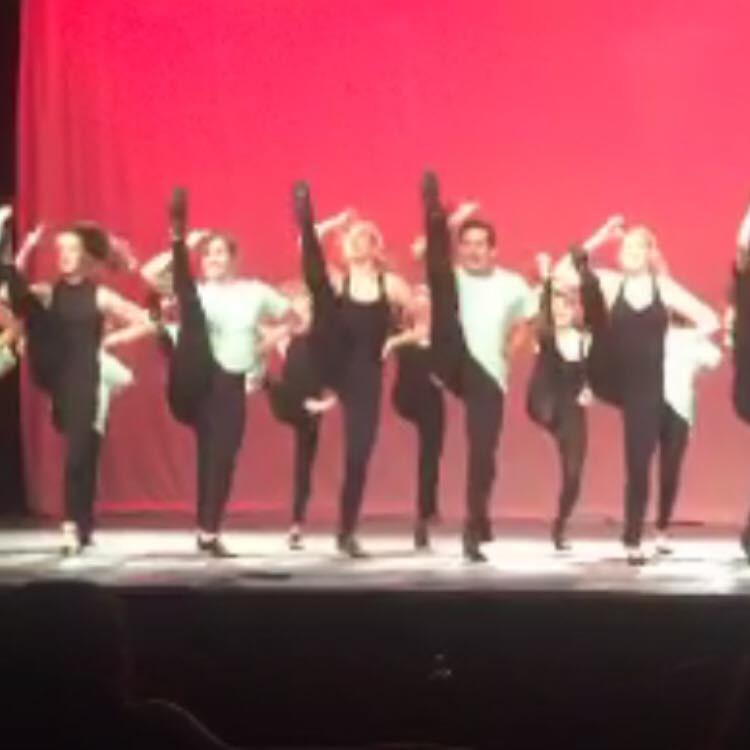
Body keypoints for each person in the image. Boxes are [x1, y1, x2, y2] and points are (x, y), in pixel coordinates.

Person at [0, 206, 152, 554]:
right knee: (82, 452)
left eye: (72, 249)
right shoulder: (48, 292)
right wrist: (24, 252)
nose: (65, 255)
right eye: (61, 250)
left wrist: (111, 341)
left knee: (80, 452)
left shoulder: (99, 295)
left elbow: (145, 321)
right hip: (57, 375)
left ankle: (73, 524)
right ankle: (82, 522)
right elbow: (11, 295)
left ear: (85, 256)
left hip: (85, 378)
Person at [566, 218, 719, 564]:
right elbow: (565, 274)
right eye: (627, 246)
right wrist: (601, 237)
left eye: (640, 246)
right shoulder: (611, 283)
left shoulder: (663, 287)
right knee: (636, 465)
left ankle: (643, 534)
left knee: (650, 464)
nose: (632, 252)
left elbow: (709, 318)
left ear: (650, 253)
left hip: (655, 388)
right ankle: (633, 537)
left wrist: (680, 339)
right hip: (627, 383)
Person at [154, 189, 294, 557]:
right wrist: (184, 243)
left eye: (219, 252)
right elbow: (151, 275)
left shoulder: (254, 291)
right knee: (189, 301)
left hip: (230, 381)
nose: (212, 259)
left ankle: (208, 531)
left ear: (233, 258)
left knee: (220, 457)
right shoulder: (197, 290)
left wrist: (267, 342)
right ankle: (177, 235)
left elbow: (295, 316)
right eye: (207, 254)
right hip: (195, 375)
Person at [420, 172, 538, 562]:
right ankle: (432, 208)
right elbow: (426, 252)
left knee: (483, 454)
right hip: (450, 356)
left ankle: (475, 525)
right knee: (441, 282)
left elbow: (530, 319)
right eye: (465, 244)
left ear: (493, 250)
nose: (472, 251)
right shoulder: (451, 275)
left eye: (479, 245)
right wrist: (447, 220)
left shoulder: (513, 284)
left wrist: (513, 345)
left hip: (487, 373)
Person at [293, 182, 413, 558]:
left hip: (366, 374)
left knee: (358, 453)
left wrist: (395, 342)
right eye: (352, 238)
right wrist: (331, 224)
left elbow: (423, 322)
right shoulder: (336, 279)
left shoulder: (391, 284)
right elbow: (306, 248)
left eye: (365, 237)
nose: (358, 242)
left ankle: (346, 530)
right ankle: (304, 210)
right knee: (318, 291)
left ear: (377, 247)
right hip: (333, 363)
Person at [262, 282, 337, 550]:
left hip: (311, 407)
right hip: (288, 400)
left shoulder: (322, 338)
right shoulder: (286, 336)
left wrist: (328, 401)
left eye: (305, 306)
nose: (300, 311)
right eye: (295, 306)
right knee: (265, 377)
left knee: (304, 466)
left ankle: (296, 525)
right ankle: (299, 400)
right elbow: (259, 335)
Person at [526, 252, 591, 551]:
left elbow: (594, 374)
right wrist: (546, 274)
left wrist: (590, 389)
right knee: (549, 406)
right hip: (543, 400)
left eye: (567, 305)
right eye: (556, 306)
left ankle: (561, 524)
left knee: (574, 473)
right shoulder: (545, 334)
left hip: (571, 410)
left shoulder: (585, 339)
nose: (561, 311)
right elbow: (546, 297)